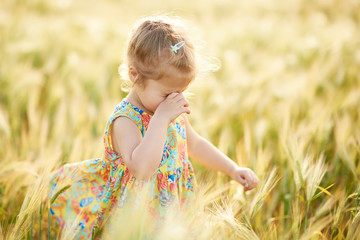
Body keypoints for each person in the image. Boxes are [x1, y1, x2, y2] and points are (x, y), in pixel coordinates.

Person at [48, 15, 259, 239]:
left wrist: (232, 169)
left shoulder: (168, 111)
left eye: (181, 92)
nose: (175, 99)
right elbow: (142, 169)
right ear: (134, 76)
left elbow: (195, 145)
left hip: (172, 207)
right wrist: (160, 119)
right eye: (168, 93)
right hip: (137, 215)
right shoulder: (125, 121)